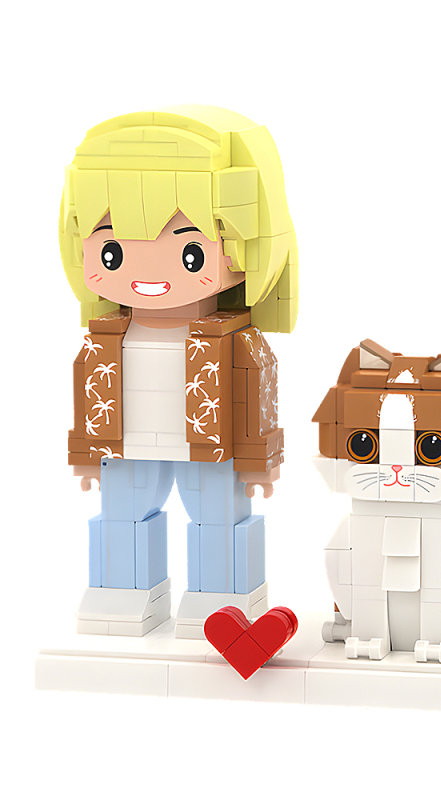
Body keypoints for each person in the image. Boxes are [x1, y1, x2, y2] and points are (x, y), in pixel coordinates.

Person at [59, 106, 298, 637]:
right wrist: (87, 453)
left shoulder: (235, 340)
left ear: (242, 249)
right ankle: (121, 594)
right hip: (126, 448)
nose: (148, 272)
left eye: (190, 253)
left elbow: (255, 395)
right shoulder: (104, 339)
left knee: (219, 520)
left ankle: (223, 602)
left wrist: (259, 459)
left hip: (210, 449)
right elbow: (89, 393)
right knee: (121, 518)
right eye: (113, 251)